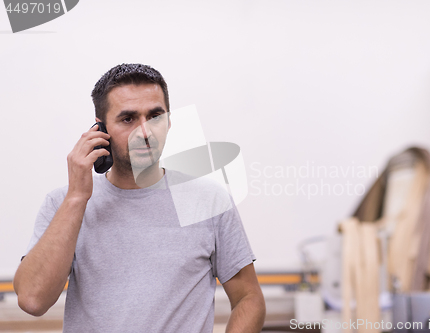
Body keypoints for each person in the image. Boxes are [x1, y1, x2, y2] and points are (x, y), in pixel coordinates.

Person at [13, 63, 266, 332]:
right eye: (128, 119)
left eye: (155, 116)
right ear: (100, 129)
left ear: (169, 122)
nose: (145, 132)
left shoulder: (209, 200)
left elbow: (248, 298)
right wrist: (77, 197)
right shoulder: (63, 203)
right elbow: (32, 299)